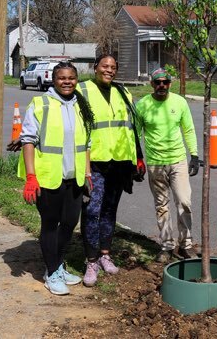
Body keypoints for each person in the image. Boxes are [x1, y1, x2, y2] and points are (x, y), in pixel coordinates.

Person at [17, 62, 95, 296]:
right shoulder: (41, 104)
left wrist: (88, 173)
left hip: (75, 178)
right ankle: (52, 272)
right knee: (50, 225)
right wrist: (31, 177)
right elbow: (28, 141)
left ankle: (57, 264)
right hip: (49, 177)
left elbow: (87, 143)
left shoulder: (81, 104)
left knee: (70, 223)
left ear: (76, 79)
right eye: (62, 78)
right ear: (53, 79)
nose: (67, 81)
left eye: (71, 77)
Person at [76, 54, 145, 287]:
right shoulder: (81, 90)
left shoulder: (124, 93)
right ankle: (91, 260)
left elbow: (131, 128)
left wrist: (138, 157)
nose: (109, 70)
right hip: (94, 162)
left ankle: (105, 254)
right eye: (105, 66)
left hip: (120, 162)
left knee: (109, 209)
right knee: (92, 210)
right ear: (95, 67)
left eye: (113, 67)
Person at [134, 68, 200, 263]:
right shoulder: (143, 105)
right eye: (158, 82)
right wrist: (136, 160)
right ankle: (166, 245)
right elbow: (136, 135)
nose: (162, 85)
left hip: (177, 160)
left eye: (165, 82)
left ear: (170, 84)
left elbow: (188, 129)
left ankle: (186, 244)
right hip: (155, 163)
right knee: (161, 205)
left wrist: (194, 155)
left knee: (184, 202)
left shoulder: (179, 102)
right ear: (152, 84)